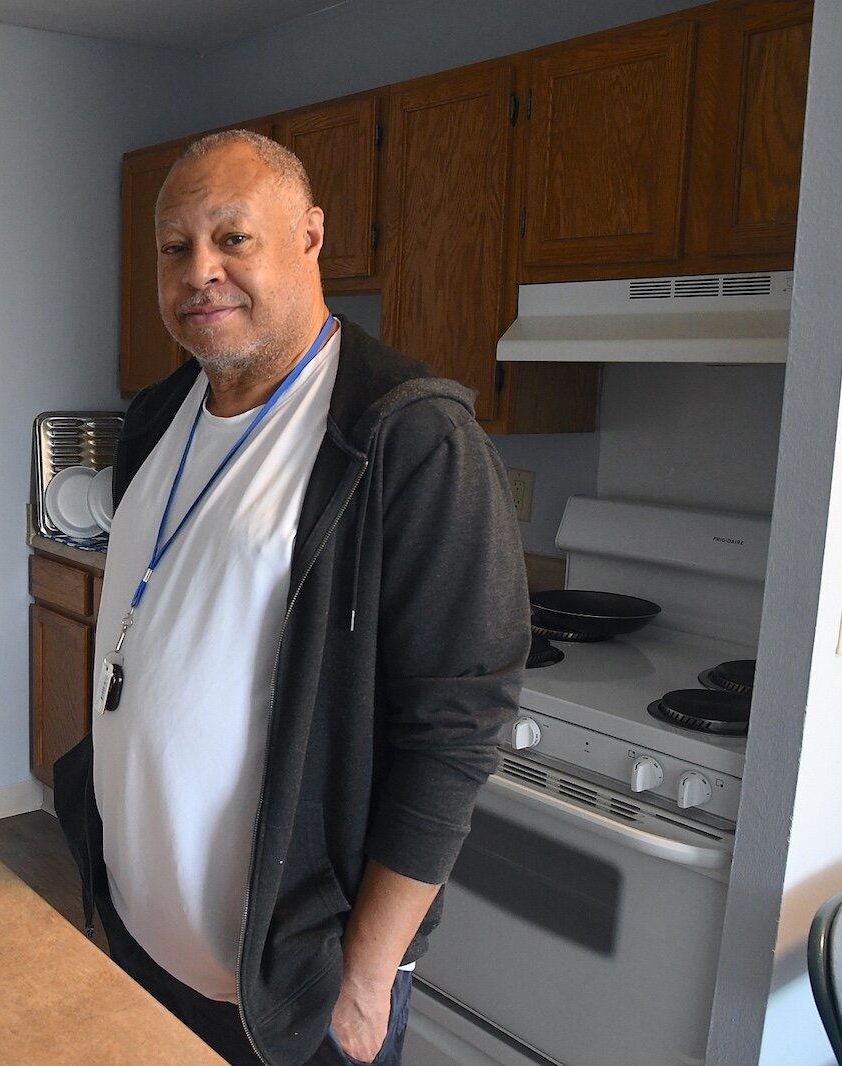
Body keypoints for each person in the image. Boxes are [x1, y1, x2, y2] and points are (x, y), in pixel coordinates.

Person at [54, 130, 529, 1066]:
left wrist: (367, 976)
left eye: (233, 238)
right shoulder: (160, 414)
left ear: (310, 237)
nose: (201, 272)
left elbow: (454, 728)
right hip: (142, 938)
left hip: (289, 985)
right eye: (174, 246)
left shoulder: (407, 439)